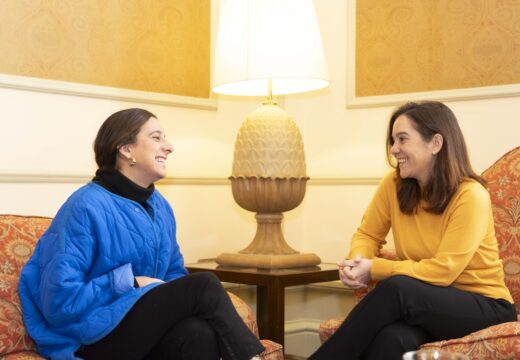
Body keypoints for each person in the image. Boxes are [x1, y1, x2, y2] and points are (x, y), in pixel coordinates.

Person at [19, 108, 265, 360]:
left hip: (132, 331)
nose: (169, 147)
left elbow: (173, 275)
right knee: (204, 284)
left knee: (198, 332)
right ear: (126, 149)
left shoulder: (160, 206)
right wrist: (131, 281)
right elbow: (59, 302)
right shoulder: (84, 206)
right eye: (157, 138)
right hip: (85, 339)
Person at [309, 101, 516, 360]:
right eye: (393, 140)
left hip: (483, 305)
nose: (394, 149)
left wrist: (374, 268)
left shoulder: (471, 195)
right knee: (392, 339)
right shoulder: (393, 185)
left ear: (436, 143)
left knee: (397, 288)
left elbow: (444, 271)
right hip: (427, 304)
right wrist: (358, 259)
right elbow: (368, 235)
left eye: (403, 139)